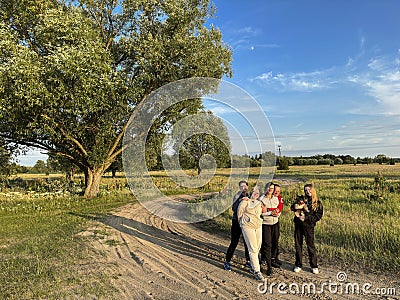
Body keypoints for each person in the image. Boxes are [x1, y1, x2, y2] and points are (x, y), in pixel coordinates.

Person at [291, 183, 323, 274]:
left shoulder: (318, 203)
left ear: (313, 190)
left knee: (310, 246)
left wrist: (306, 218)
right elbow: (292, 207)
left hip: (309, 227)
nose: (307, 192)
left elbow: (318, 216)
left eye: (309, 190)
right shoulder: (301, 199)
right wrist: (296, 206)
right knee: (298, 245)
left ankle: (314, 265)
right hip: (298, 225)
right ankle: (298, 264)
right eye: (305, 190)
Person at [237, 186, 267, 282]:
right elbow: (239, 213)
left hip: (258, 226)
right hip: (247, 226)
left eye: (257, 192)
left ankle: (254, 266)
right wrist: (243, 223)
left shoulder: (259, 203)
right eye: (254, 192)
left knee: (258, 247)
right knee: (252, 249)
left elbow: (263, 212)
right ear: (250, 193)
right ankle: (257, 271)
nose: (256, 194)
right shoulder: (245, 201)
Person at [223, 180, 251, 271]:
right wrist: (241, 201)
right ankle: (227, 262)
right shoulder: (236, 196)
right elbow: (234, 208)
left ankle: (248, 261)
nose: (244, 188)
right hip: (237, 222)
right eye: (241, 186)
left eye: (245, 186)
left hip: (246, 223)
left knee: (247, 243)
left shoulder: (250, 196)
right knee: (234, 242)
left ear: (247, 187)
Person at [259, 182, 280, 276]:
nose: (270, 190)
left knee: (275, 242)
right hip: (265, 224)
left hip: (275, 223)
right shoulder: (262, 199)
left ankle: (271, 258)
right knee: (267, 244)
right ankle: (269, 267)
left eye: (272, 188)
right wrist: (271, 213)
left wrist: (275, 213)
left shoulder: (276, 199)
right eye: (269, 188)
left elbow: (278, 211)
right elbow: (261, 213)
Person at [272, 183, 284, 267]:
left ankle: (275, 256)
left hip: (276, 220)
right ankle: (269, 258)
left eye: (278, 191)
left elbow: (280, 207)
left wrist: (277, 213)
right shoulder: (268, 197)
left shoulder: (280, 197)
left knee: (276, 238)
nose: (277, 192)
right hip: (268, 221)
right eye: (275, 191)